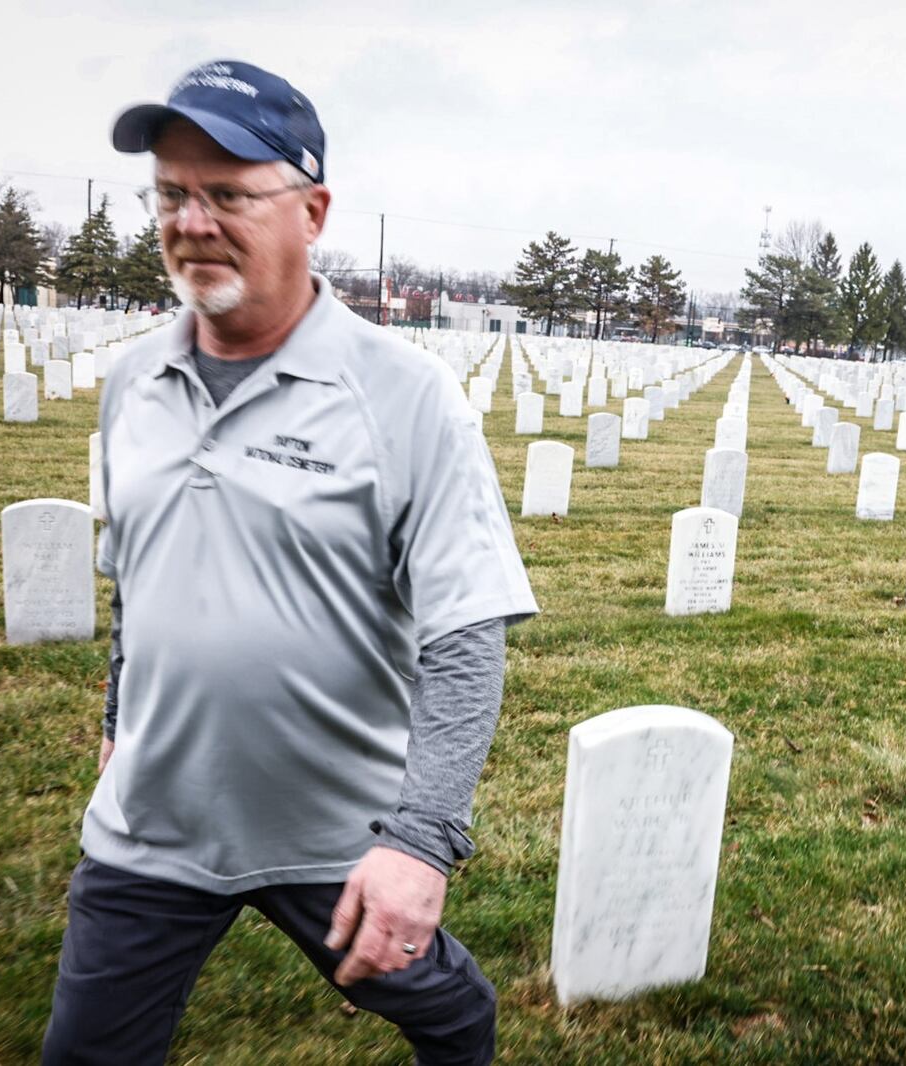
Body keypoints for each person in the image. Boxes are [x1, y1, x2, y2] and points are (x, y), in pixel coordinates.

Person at [41, 60, 537, 1066]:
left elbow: (465, 637)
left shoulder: (405, 396)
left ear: (312, 211)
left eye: (227, 193)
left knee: (451, 1018)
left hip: (334, 826)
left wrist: (418, 841)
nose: (192, 221)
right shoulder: (132, 382)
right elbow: (139, 584)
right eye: (172, 194)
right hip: (152, 821)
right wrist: (114, 725)